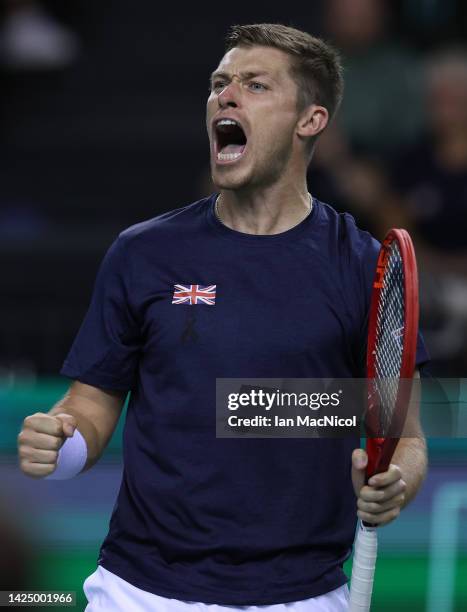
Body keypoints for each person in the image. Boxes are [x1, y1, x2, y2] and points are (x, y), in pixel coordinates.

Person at [17, 23, 429, 611]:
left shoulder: (362, 266)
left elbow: (403, 434)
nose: (224, 96)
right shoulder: (143, 252)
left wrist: (398, 483)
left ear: (310, 120)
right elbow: (90, 404)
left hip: (302, 594)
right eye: (219, 83)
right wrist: (62, 445)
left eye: (254, 84)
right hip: (139, 590)